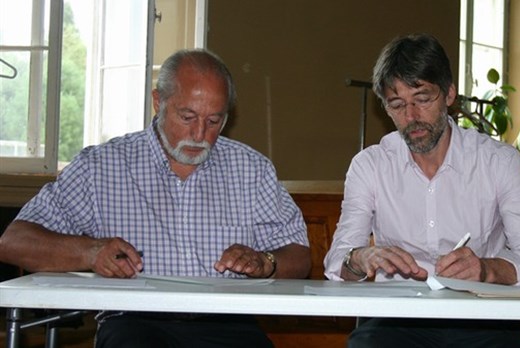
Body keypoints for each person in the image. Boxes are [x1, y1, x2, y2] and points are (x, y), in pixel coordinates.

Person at [0, 48, 311, 348]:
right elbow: (13, 241)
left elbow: (299, 254)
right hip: (135, 322)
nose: (199, 134)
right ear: (158, 101)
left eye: (214, 121)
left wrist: (266, 262)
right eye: (187, 116)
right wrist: (91, 252)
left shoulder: (250, 169)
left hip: (228, 323)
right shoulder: (102, 167)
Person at [323, 33, 520, 347]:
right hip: (395, 320)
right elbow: (338, 261)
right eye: (397, 105)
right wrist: (360, 258)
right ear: (385, 108)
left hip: (482, 317)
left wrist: (488, 270)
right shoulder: (370, 166)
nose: (412, 117)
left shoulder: (499, 161)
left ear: (449, 94)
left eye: (422, 99)